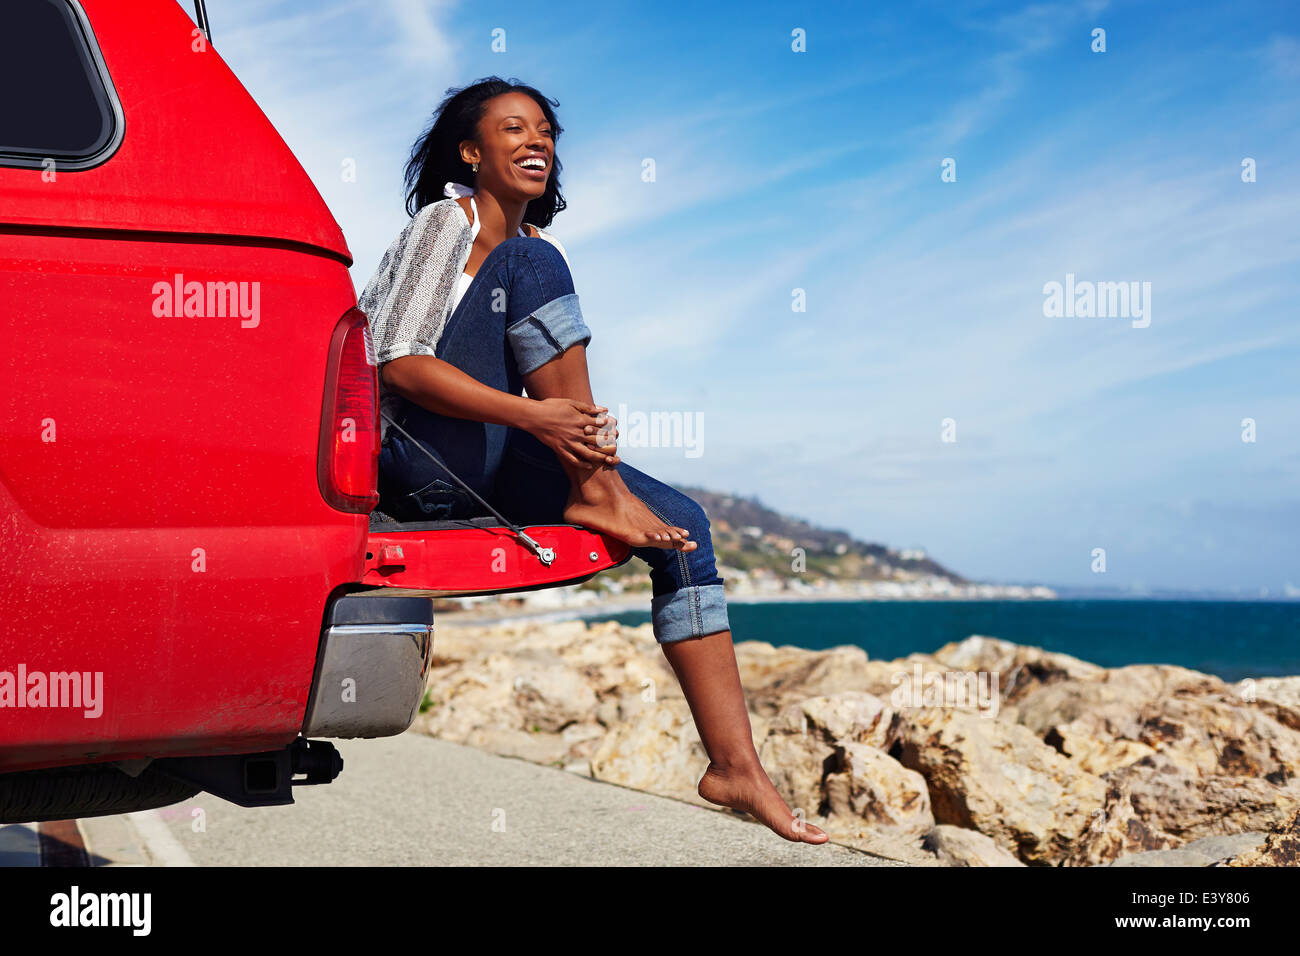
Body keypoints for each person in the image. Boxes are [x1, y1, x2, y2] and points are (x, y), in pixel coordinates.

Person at [358, 76, 827, 844]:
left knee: (687, 530)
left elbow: (545, 395)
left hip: (502, 456)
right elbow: (396, 365)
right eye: (513, 130)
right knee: (528, 267)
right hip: (418, 462)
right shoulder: (449, 221)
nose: (537, 141)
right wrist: (536, 416)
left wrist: (545, 425)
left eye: (545, 131)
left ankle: (736, 766)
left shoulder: (539, 247)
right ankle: (596, 485)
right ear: (472, 153)